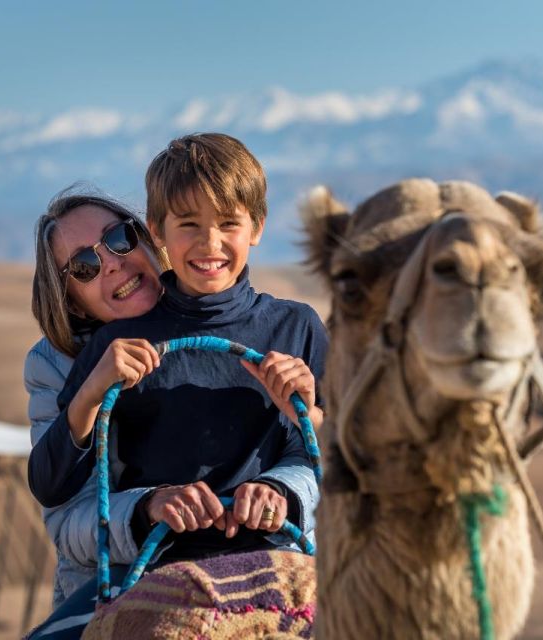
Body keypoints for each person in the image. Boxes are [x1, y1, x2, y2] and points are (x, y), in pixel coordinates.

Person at [27, 133, 326, 635]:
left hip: (275, 554)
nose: (210, 244)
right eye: (189, 225)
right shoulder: (114, 347)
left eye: (229, 223)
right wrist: (94, 391)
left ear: (257, 227)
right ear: (159, 229)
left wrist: (303, 428)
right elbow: (54, 487)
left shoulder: (296, 329)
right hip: (151, 566)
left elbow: (347, 459)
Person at [25, 184, 169, 608]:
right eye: (84, 266)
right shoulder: (54, 365)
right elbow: (68, 519)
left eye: (118, 238)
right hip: (107, 590)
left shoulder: (231, 319)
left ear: (147, 237)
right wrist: (148, 512)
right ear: (76, 304)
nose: (111, 263)